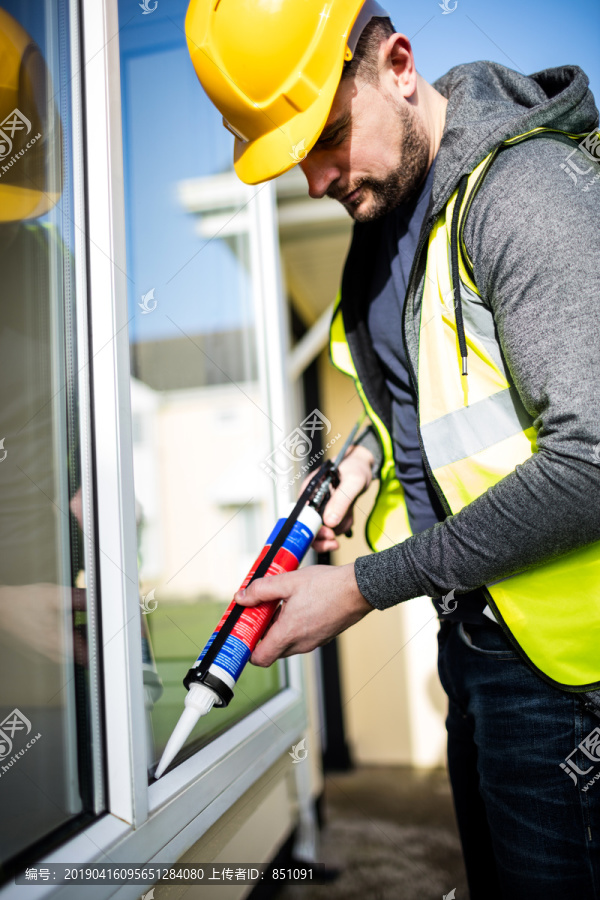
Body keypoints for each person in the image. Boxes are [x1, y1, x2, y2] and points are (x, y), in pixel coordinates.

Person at [185, 1, 600, 896]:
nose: (318, 178)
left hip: (577, 680)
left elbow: (592, 459)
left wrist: (364, 585)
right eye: (299, 158)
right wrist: (361, 466)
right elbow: (419, 408)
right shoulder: (376, 249)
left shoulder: (525, 194)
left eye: (329, 135)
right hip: (481, 653)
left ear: (400, 65)